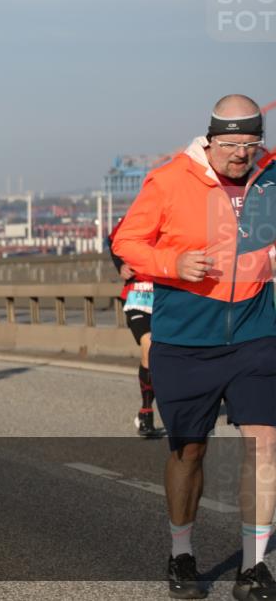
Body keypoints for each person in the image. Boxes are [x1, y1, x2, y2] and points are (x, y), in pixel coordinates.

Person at [113, 94, 276, 600]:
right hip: (186, 338)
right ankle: (182, 553)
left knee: (264, 443)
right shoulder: (169, 179)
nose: (240, 154)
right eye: (230, 144)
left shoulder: (270, 175)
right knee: (189, 451)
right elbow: (127, 242)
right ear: (210, 139)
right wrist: (171, 264)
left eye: (250, 144)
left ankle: (252, 567)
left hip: (256, 331)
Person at [109, 218, 158, 437]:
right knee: (148, 344)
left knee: (164, 357)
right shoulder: (138, 215)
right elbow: (112, 241)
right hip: (137, 296)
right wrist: (120, 265)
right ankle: (146, 412)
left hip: (165, 298)